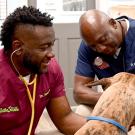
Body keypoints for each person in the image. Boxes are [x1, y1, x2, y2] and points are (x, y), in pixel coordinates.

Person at [0, 6, 86, 135]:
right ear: (18, 48)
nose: (51, 55)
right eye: (43, 48)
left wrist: (106, 129)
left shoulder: (50, 69)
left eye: (51, 45)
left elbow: (65, 118)